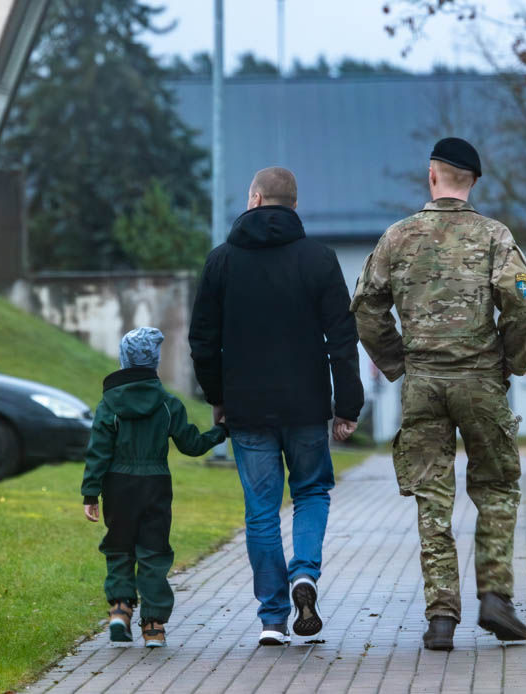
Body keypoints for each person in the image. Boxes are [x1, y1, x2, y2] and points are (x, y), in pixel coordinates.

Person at [350, 138, 526, 651]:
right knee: (497, 487)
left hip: (424, 385)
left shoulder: (397, 237)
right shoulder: (494, 237)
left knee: (432, 499)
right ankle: (496, 598)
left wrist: (397, 361)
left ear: (431, 177)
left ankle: (440, 617)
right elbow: (522, 306)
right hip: (480, 380)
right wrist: (509, 364)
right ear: (473, 181)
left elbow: (366, 308)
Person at [189, 167, 364, 646]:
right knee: (311, 492)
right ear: (293, 205)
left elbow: (203, 341)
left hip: (247, 409)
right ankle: (304, 574)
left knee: (261, 511)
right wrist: (347, 404)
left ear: (255, 198)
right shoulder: (319, 259)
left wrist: (217, 397)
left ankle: (272, 618)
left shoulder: (221, 262)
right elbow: (341, 338)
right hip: (306, 406)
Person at [81, 326, 227, 648]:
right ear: (155, 362)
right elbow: (191, 445)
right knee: (154, 551)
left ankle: (120, 610)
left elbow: (98, 451)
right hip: (156, 485)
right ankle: (154, 626)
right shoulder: (167, 404)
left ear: (122, 360)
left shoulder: (109, 404)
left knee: (119, 546)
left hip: (118, 485)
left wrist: (90, 493)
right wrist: (220, 431)